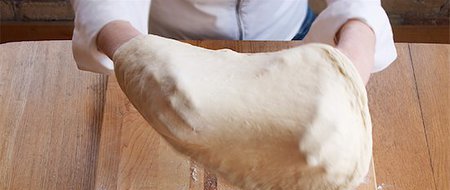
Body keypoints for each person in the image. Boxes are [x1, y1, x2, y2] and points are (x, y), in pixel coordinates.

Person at [70, 1, 396, 85]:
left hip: (288, 34)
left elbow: (359, 12)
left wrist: (360, 29)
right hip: (170, 48)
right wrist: (127, 45)